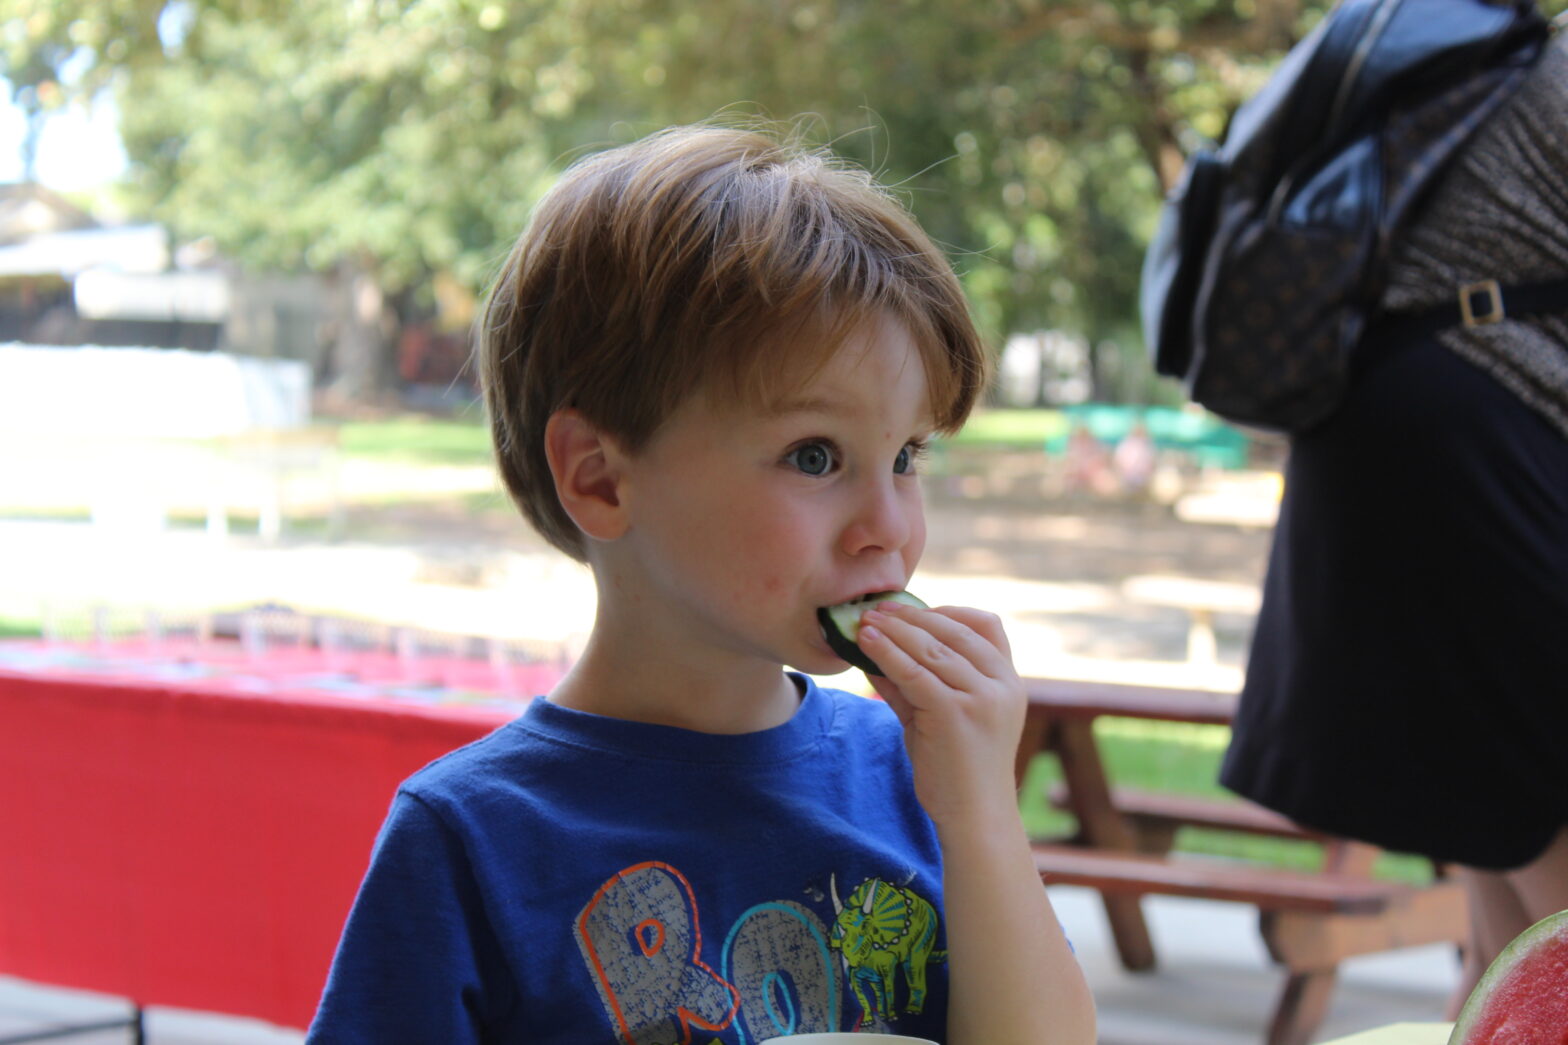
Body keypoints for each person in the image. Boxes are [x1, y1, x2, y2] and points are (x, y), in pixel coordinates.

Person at [306, 124, 1095, 1044]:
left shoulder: (911, 772)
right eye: (815, 455)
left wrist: (984, 819)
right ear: (600, 476)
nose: (891, 526)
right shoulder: (474, 840)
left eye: (908, 454)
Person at [1221, 27, 1568, 1014]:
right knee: (1541, 877)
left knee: (1501, 878)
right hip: (1466, 445)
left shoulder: (1513, 64)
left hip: (1410, 440)